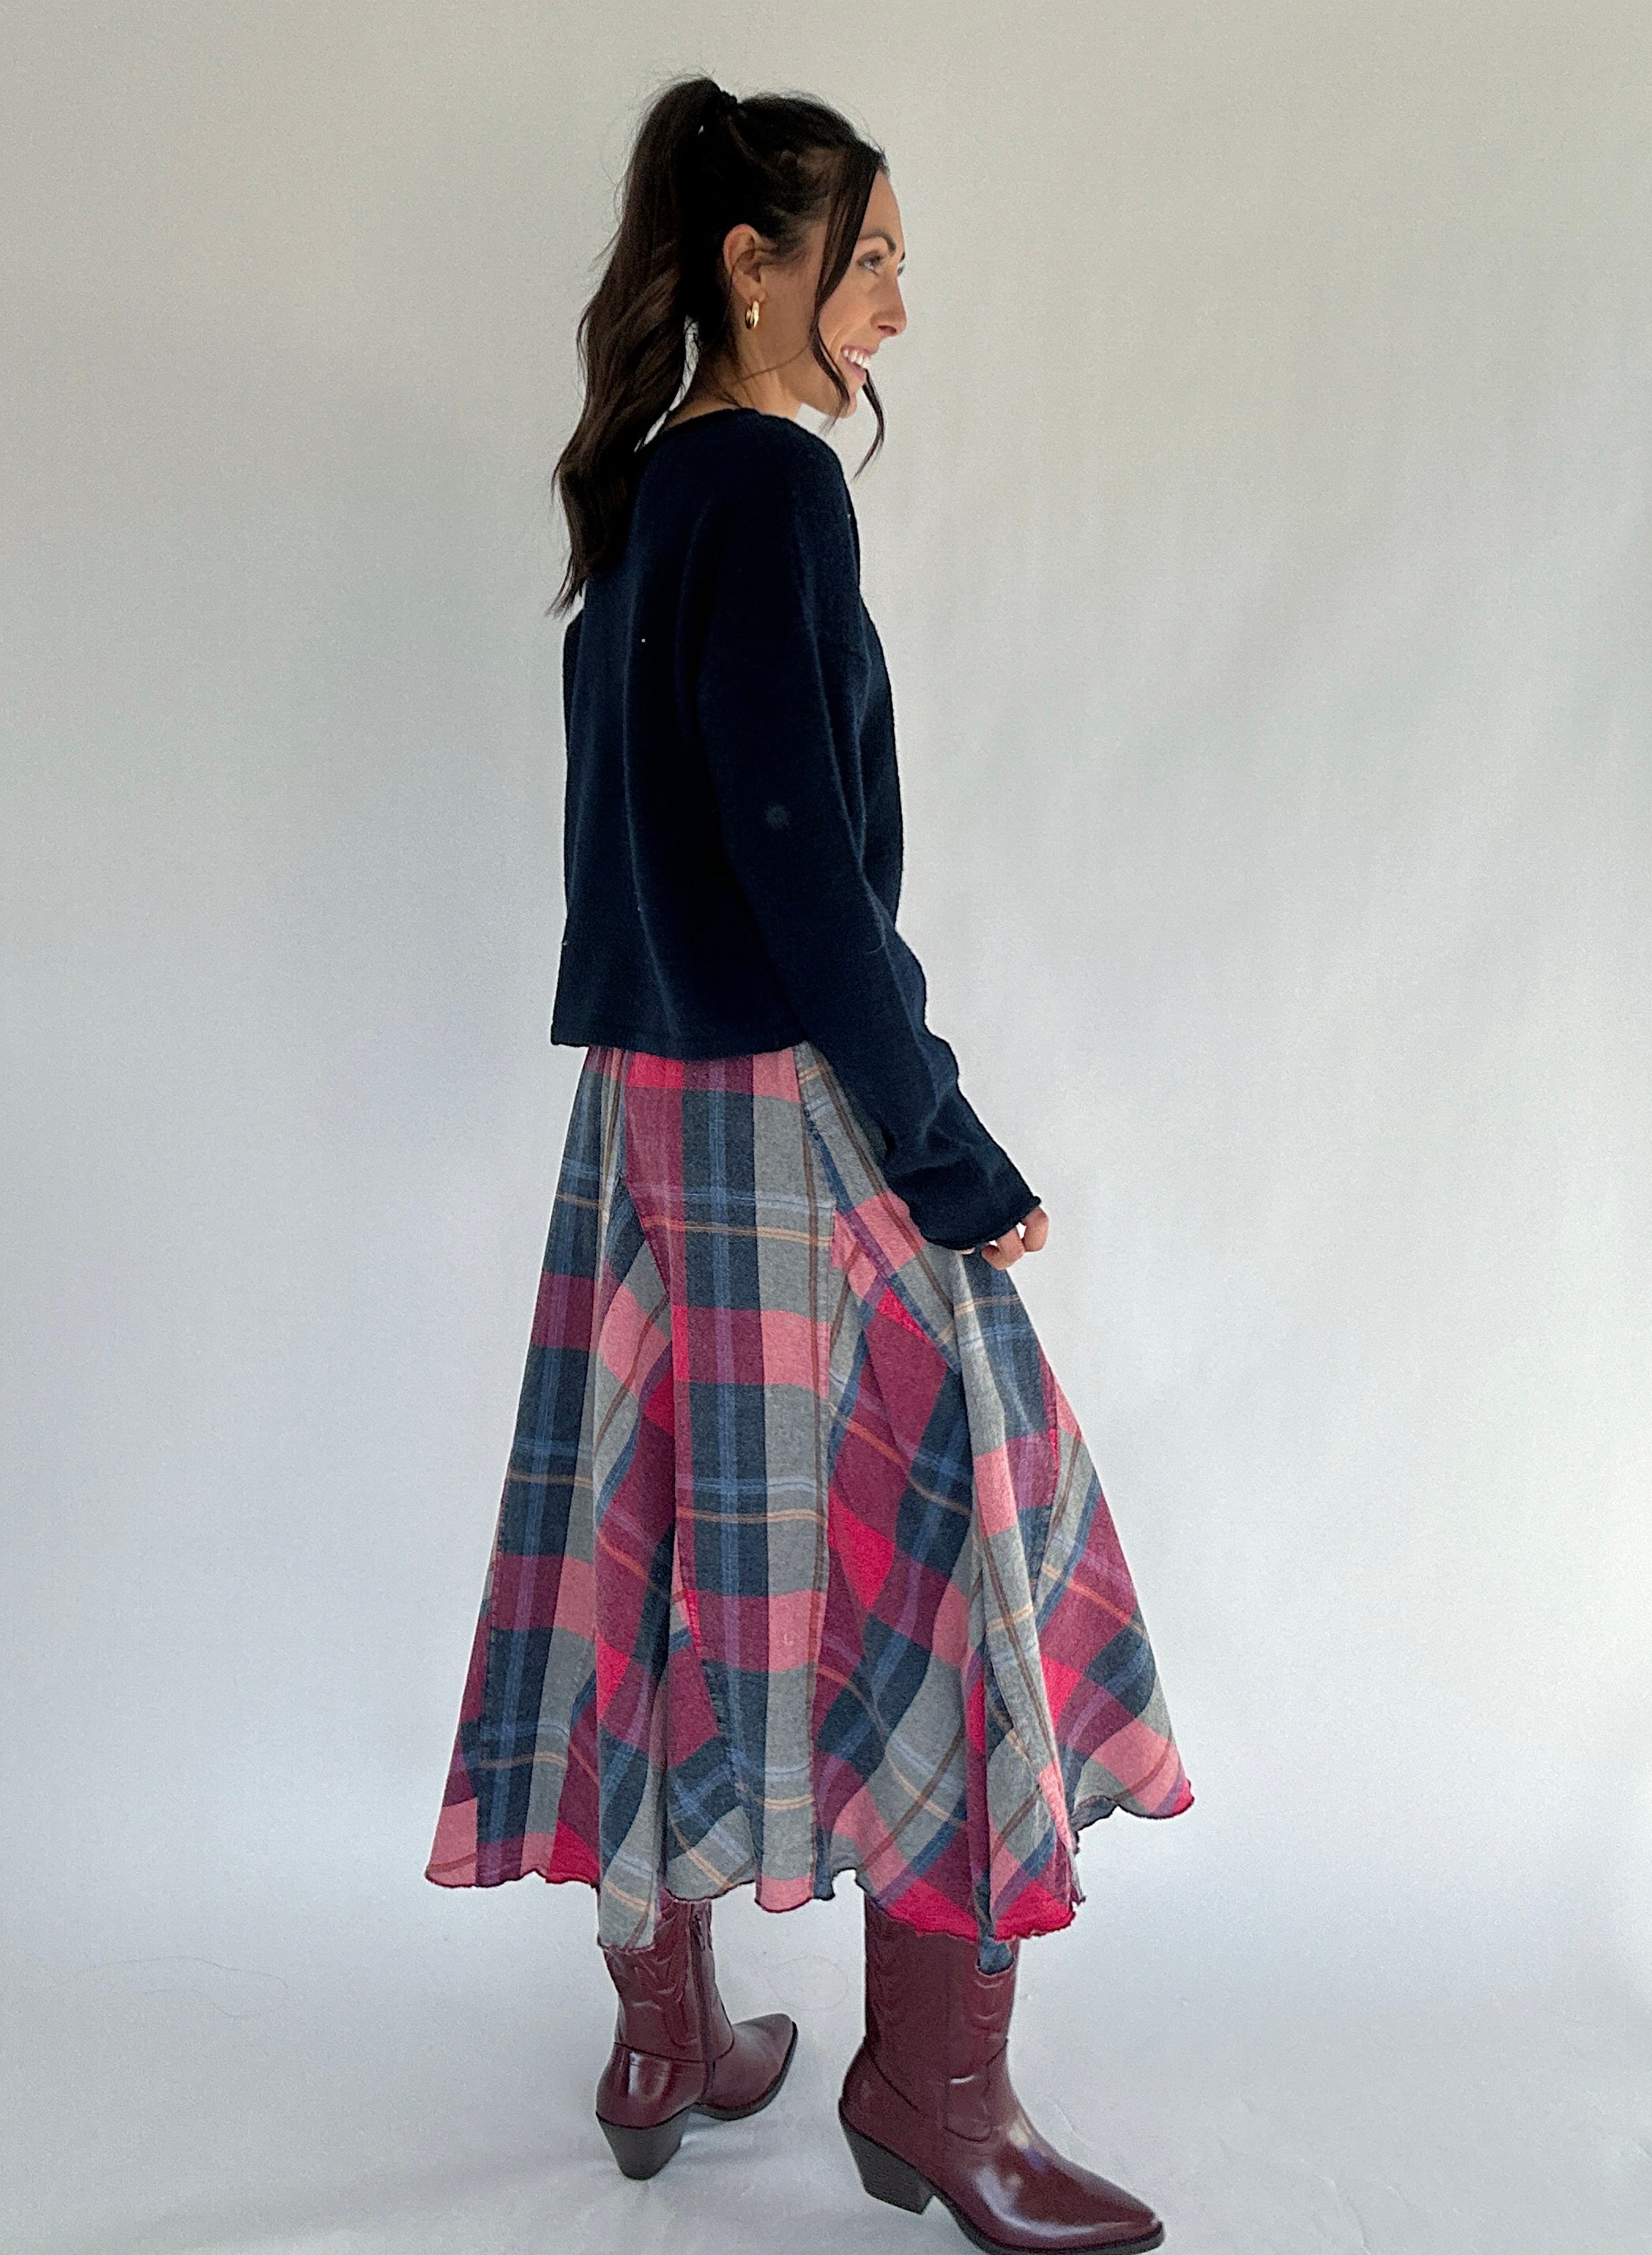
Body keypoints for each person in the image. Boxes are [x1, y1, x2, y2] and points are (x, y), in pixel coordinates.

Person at [425, 74, 1192, 2255]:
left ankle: (665, 2037)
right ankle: (937, 2099)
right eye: (864, 260)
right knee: (965, 1536)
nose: (895, 304)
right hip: (777, 1103)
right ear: (751, 266)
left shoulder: (657, 487)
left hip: (646, 1115)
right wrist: (940, 1147)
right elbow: (790, 855)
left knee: (657, 1539)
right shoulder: (764, 483)